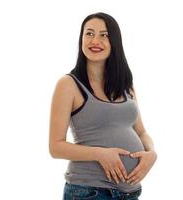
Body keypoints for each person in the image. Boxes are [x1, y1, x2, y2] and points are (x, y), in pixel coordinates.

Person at [49, 12, 157, 200]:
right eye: (89, 34)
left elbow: (141, 132)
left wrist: (151, 153)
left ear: (114, 41)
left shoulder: (125, 85)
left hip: (130, 193)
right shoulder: (68, 84)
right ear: (81, 39)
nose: (95, 40)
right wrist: (101, 154)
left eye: (104, 35)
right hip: (90, 191)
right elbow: (55, 147)